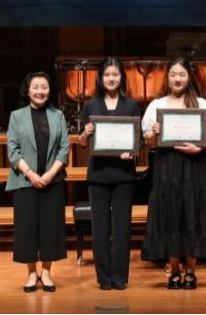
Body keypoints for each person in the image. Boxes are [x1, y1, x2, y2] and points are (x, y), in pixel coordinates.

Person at [141, 57, 206, 290]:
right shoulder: (156, 105)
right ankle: (174, 270)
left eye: (182, 74)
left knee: (193, 213)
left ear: (189, 77)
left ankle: (191, 271)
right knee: (170, 214)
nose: (178, 79)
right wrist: (155, 133)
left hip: (194, 165)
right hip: (167, 166)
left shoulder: (201, 104)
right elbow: (148, 140)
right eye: (173, 74)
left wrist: (200, 147)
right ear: (167, 78)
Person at [77, 57, 140, 291]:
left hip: (124, 174)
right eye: (107, 75)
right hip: (98, 174)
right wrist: (85, 132)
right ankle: (104, 277)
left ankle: (120, 277)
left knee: (122, 228)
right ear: (100, 78)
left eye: (115, 74)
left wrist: (131, 151)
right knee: (100, 228)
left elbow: (138, 140)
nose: (111, 78)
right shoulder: (90, 106)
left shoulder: (131, 105)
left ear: (121, 77)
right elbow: (82, 142)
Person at [6, 71, 70, 293]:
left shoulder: (58, 116)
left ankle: (47, 272)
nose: (40, 91)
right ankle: (32, 273)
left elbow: (64, 149)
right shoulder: (16, 116)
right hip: (25, 181)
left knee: (51, 228)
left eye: (44, 87)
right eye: (36, 87)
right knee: (27, 229)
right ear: (28, 90)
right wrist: (31, 174)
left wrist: (49, 175)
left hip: (53, 180)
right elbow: (13, 151)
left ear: (49, 90)